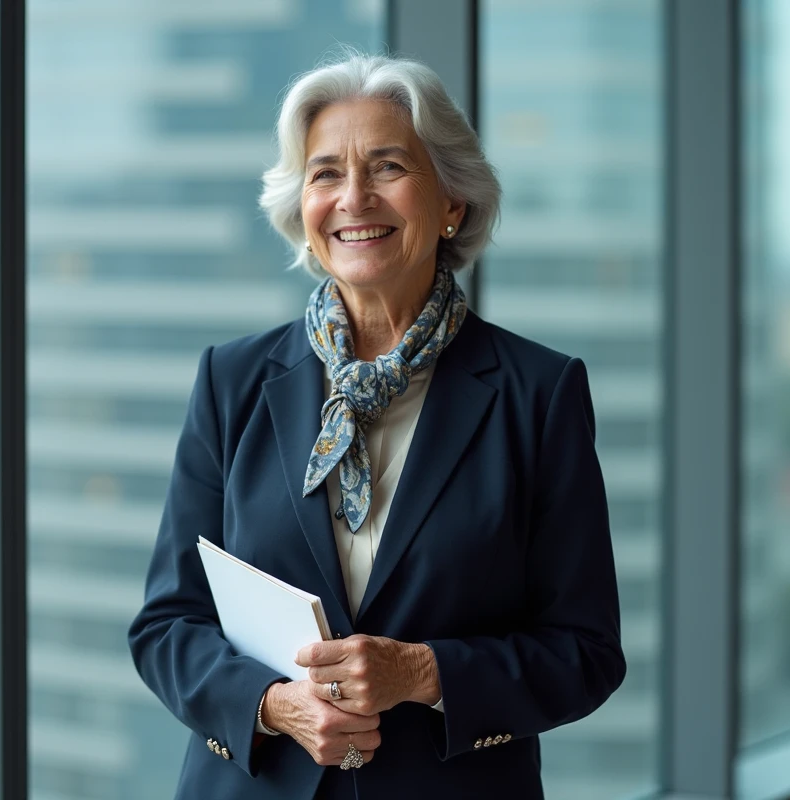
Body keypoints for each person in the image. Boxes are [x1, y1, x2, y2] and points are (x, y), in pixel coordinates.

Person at [128, 49, 626, 800]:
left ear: (452, 201)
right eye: (326, 173)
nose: (354, 197)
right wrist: (270, 708)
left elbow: (585, 652)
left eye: (388, 167)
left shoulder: (539, 393)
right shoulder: (231, 382)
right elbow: (167, 624)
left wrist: (423, 674)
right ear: (304, 208)